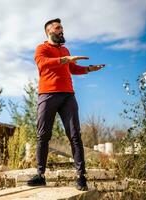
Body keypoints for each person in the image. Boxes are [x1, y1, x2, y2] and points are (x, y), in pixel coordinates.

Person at [27, 18, 105, 191]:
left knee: (75, 135)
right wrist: (66, 58)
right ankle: (40, 175)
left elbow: (72, 68)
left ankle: (81, 177)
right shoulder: (42, 49)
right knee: (43, 135)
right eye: (58, 28)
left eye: (62, 28)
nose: (62, 30)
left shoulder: (65, 50)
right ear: (49, 31)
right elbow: (44, 64)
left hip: (68, 96)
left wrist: (89, 69)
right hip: (47, 95)